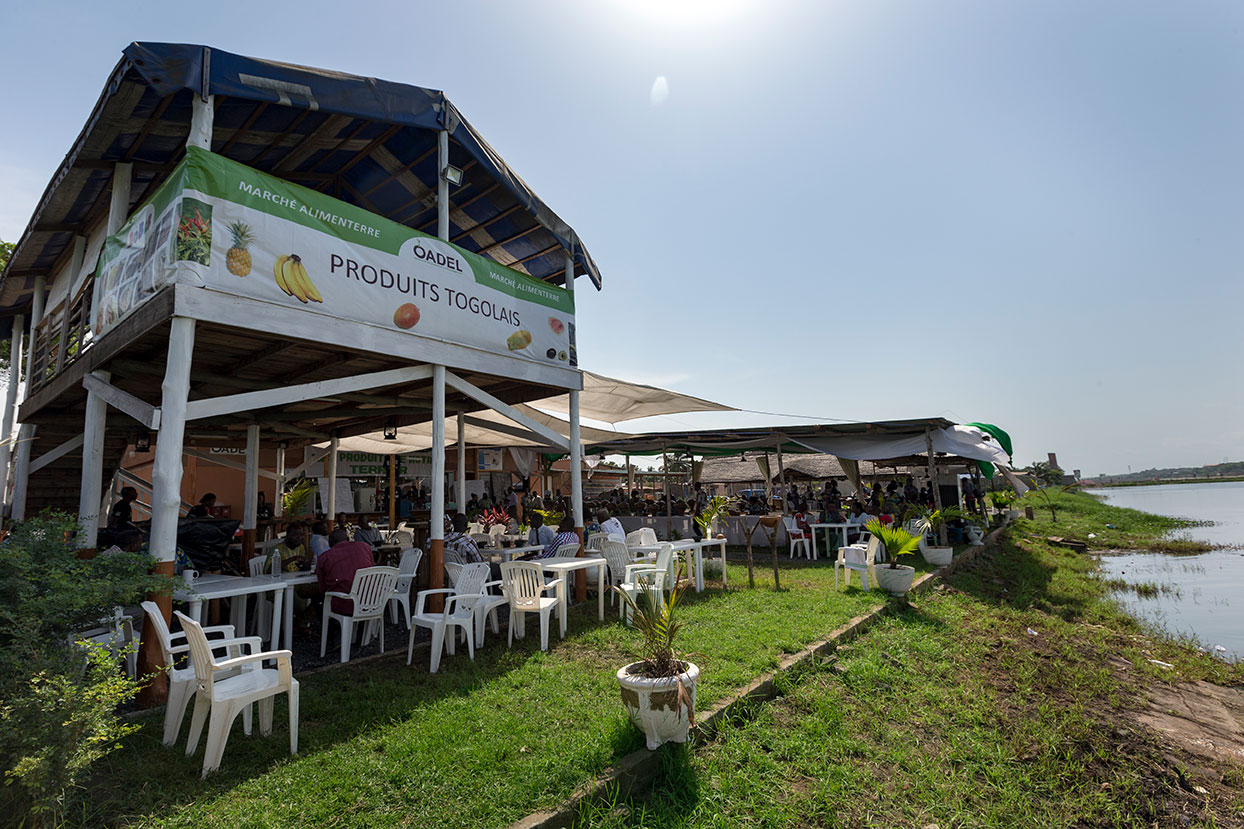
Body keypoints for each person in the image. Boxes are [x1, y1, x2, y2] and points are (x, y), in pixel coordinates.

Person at [316, 528, 376, 614]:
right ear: (348, 539)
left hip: (345, 605)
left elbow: (322, 588)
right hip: (372, 601)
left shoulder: (325, 557)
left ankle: (329, 625)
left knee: (318, 599)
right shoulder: (365, 547)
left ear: (330, 544)